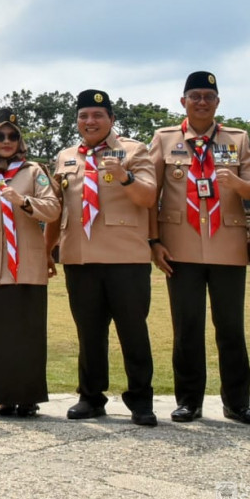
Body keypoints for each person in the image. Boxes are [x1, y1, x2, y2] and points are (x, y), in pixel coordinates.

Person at [148, 72, 250, 425]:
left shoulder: (238, 139)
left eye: (208, 96)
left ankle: (237, 403)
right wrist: (153, 241)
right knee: (187, 328)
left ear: (218, 102)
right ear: (182, 101)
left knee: (231, 328)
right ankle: (189, 401)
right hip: (179, 247)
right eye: (194, 95)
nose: (201, 101)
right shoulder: (165, 139)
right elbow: (150, 194)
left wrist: (239, 184)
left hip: (227, 245)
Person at [44, 89, 159, 426]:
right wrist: (47, 250)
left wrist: (125, 176)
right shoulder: (66, 156)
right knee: (89, 333)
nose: (90, 121)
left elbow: (149, 196)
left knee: (133, 332)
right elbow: (57, 207)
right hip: (80, 256)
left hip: (126, 258)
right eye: (84, 116)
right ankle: (90, 397)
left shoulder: (134, 151)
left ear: (111, 119)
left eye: (97, 115)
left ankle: (141, 400)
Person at [0, 108, 60, 417]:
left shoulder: (34, 172)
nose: (7, 141)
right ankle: (4, 396)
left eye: (13, 136)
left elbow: (53, 209)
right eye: (0, 136)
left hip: (29, 264)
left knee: (29, 334)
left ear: (20, 140)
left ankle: (28, 396)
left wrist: (24, 202)